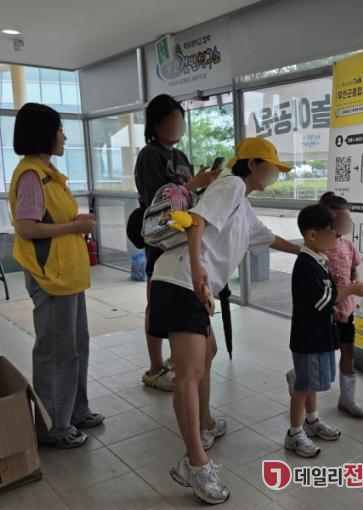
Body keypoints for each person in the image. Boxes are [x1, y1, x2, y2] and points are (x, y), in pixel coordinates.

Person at [148, 137, 300, 504]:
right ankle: (195, 463)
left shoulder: (243, 204)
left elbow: (269, 238)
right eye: (272, 167)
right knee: (189, 372)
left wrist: (308, 251)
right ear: (252, 165)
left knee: (208, 352)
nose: (275, 174)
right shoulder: (230, 185)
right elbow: (196, 222)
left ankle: (205, 423)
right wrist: (199, 269)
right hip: (182, 280)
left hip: (191, 285)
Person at [9, 103, 104, 448]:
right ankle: (54, 427)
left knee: (76, 346)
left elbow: (50, 219)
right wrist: (75, 226)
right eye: (60, 129)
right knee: (55, 352)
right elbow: (26, 228)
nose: (64, 136)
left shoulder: (47, 171)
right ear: (44, 133)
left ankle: (75, 411)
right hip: (51, 276)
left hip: (67, 275)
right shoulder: (31, 175)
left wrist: (73, 223)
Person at [135, 94, 221, 392]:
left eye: (180, 119)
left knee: (179, 303)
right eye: (172, 120)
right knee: (156, 302)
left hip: (183, 240)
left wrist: (204, 184)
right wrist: (193, 184)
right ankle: (155, 367)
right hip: (161, 240)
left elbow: (188, 197)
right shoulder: (150, 155)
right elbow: (157, 201)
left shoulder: (180, 156)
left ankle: (175, 358)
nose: (177, 125)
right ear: (156, 124)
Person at [285, 204, 363, 458]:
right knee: (303, 386)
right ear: (313, 235)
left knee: (311, 382)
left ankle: (311, 420)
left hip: (319, 333)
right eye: (332, 232)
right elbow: (324, 298)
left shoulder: (318, 260)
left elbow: (321, 301)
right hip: (308, 337)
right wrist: (351, 290)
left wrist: (336, 311)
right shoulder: (306, 265)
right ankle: (294, 433)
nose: (337, 236)